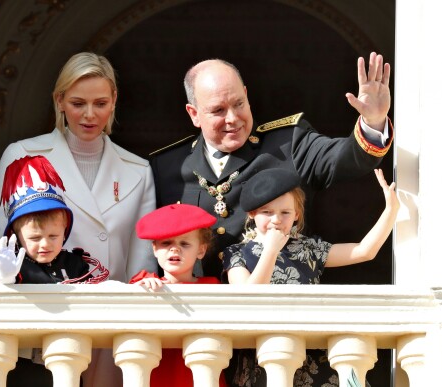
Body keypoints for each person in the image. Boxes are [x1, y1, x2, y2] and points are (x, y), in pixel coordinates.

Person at [0, 52, 156, 387]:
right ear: (59, 101)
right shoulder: (22, 156)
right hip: (42, 321)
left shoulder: (139, 170)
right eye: (77, 103)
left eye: (100, 103)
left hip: (110, 327)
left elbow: (140, 264)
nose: (89, 115)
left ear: (114, 101)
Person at [149, 52, 393, 279]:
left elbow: (346, 159)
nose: (232, 118)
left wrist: (373, 123)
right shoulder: (166, 165)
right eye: (218, 110)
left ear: (247, 95)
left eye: (239, 104)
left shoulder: (289, 143)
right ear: (194, 114)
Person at [222, 167, 399, 386]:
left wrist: (391, 210)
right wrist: (270, 251)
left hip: (312, 355)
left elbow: (364, 251)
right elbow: (247, 298)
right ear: (252, 214)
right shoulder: (237, 252)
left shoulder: (309, 248)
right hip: (265, 355)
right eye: (267, 212)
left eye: (285, 212)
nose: (276, 219)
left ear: (296, 214)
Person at [0, 155, 109, 386]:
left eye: (53, 236)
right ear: (16, 235)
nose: (45, 244)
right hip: (23, 364)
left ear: (65, 231)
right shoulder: (15, 264)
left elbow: (95, 295)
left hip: (69, 356)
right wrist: (4, 276)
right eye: (35, 237)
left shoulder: (75, 264)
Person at [129, 203, 227, 387]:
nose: (175, 249)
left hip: (201, 375)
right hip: (158, 375)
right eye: (166, 243)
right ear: (154, 248)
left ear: (201, 250)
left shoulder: (211, 286)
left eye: (184, 243)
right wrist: (142, 287)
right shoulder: (145, 282)